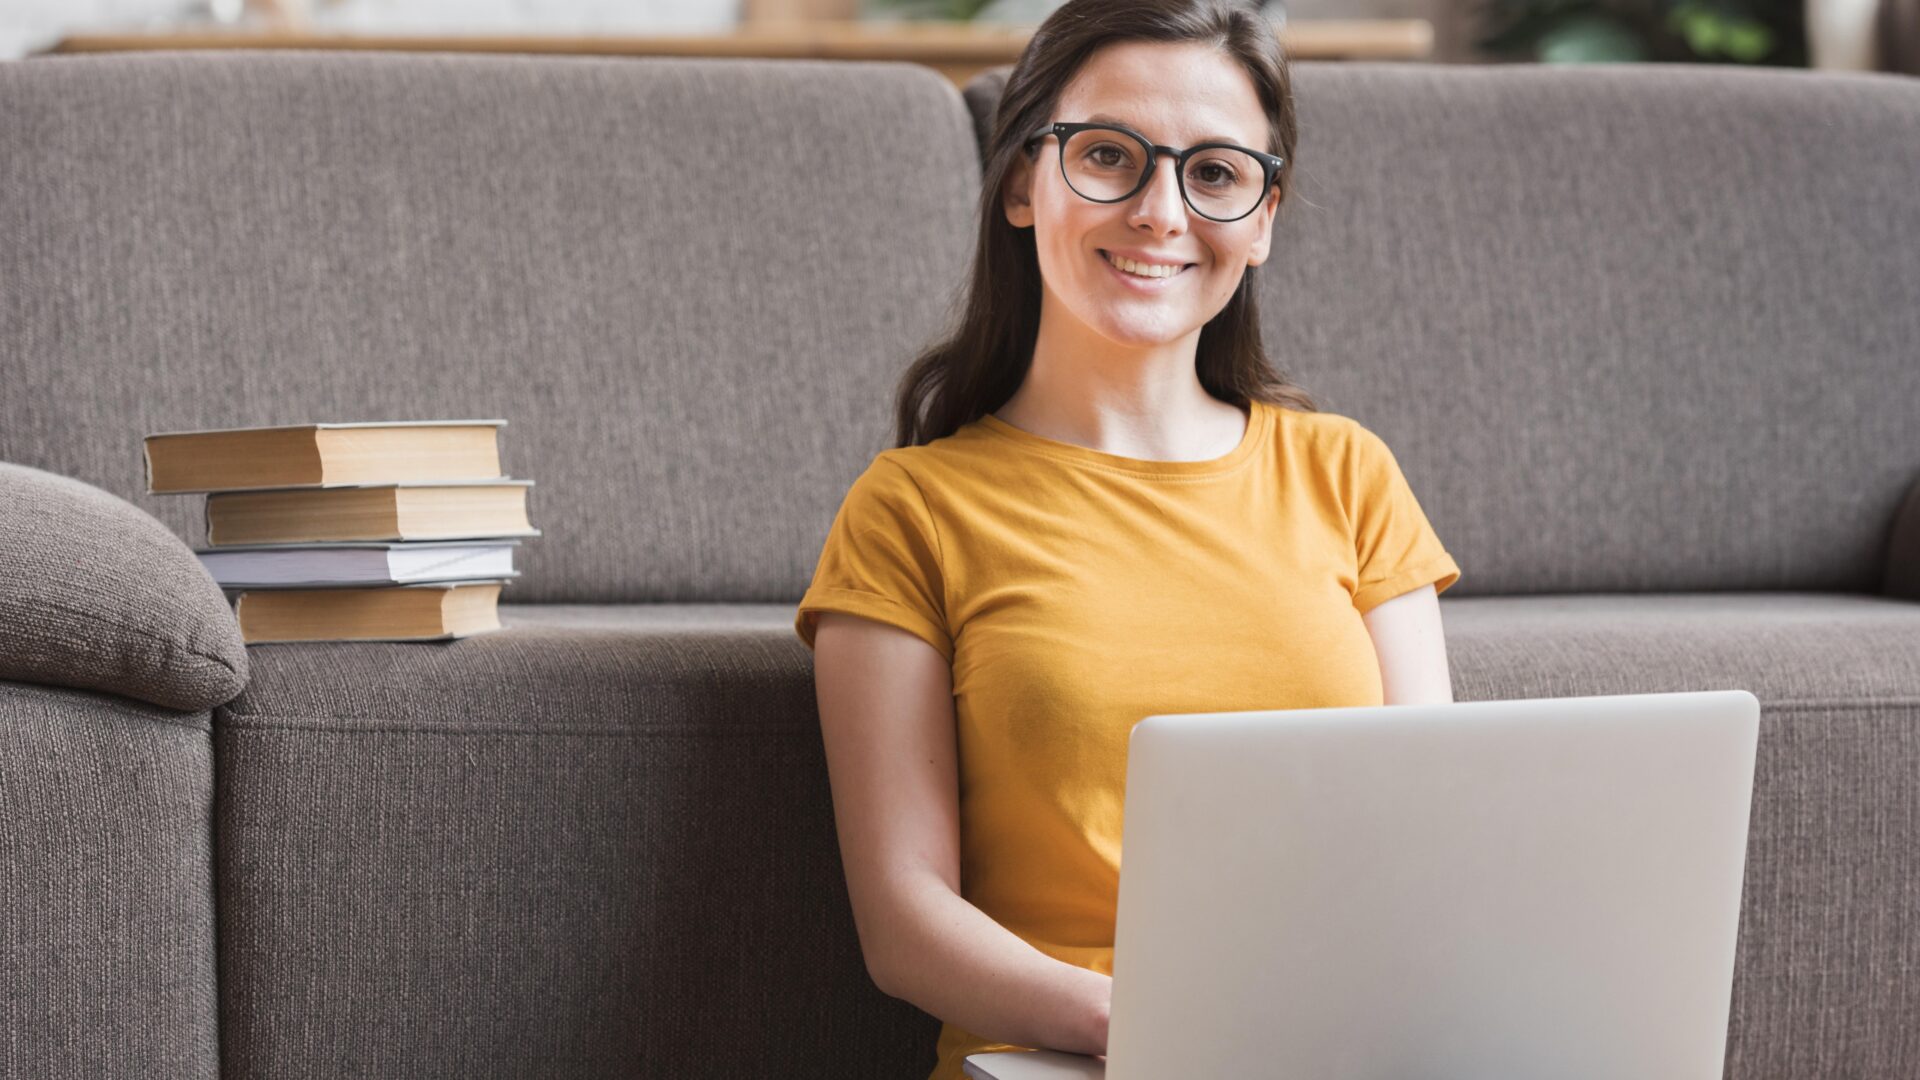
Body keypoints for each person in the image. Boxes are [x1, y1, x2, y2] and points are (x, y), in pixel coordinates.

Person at [793, 2, 1461, 1077]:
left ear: (1264, 216)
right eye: (1109, 156)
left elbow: (1434, 834)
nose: (1161, 212)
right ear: (1022, 181)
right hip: (1069, 1057)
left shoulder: (1349, 475)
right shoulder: (911, 510)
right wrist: (1151, 1023)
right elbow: (905, 922)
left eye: (1215, 173)